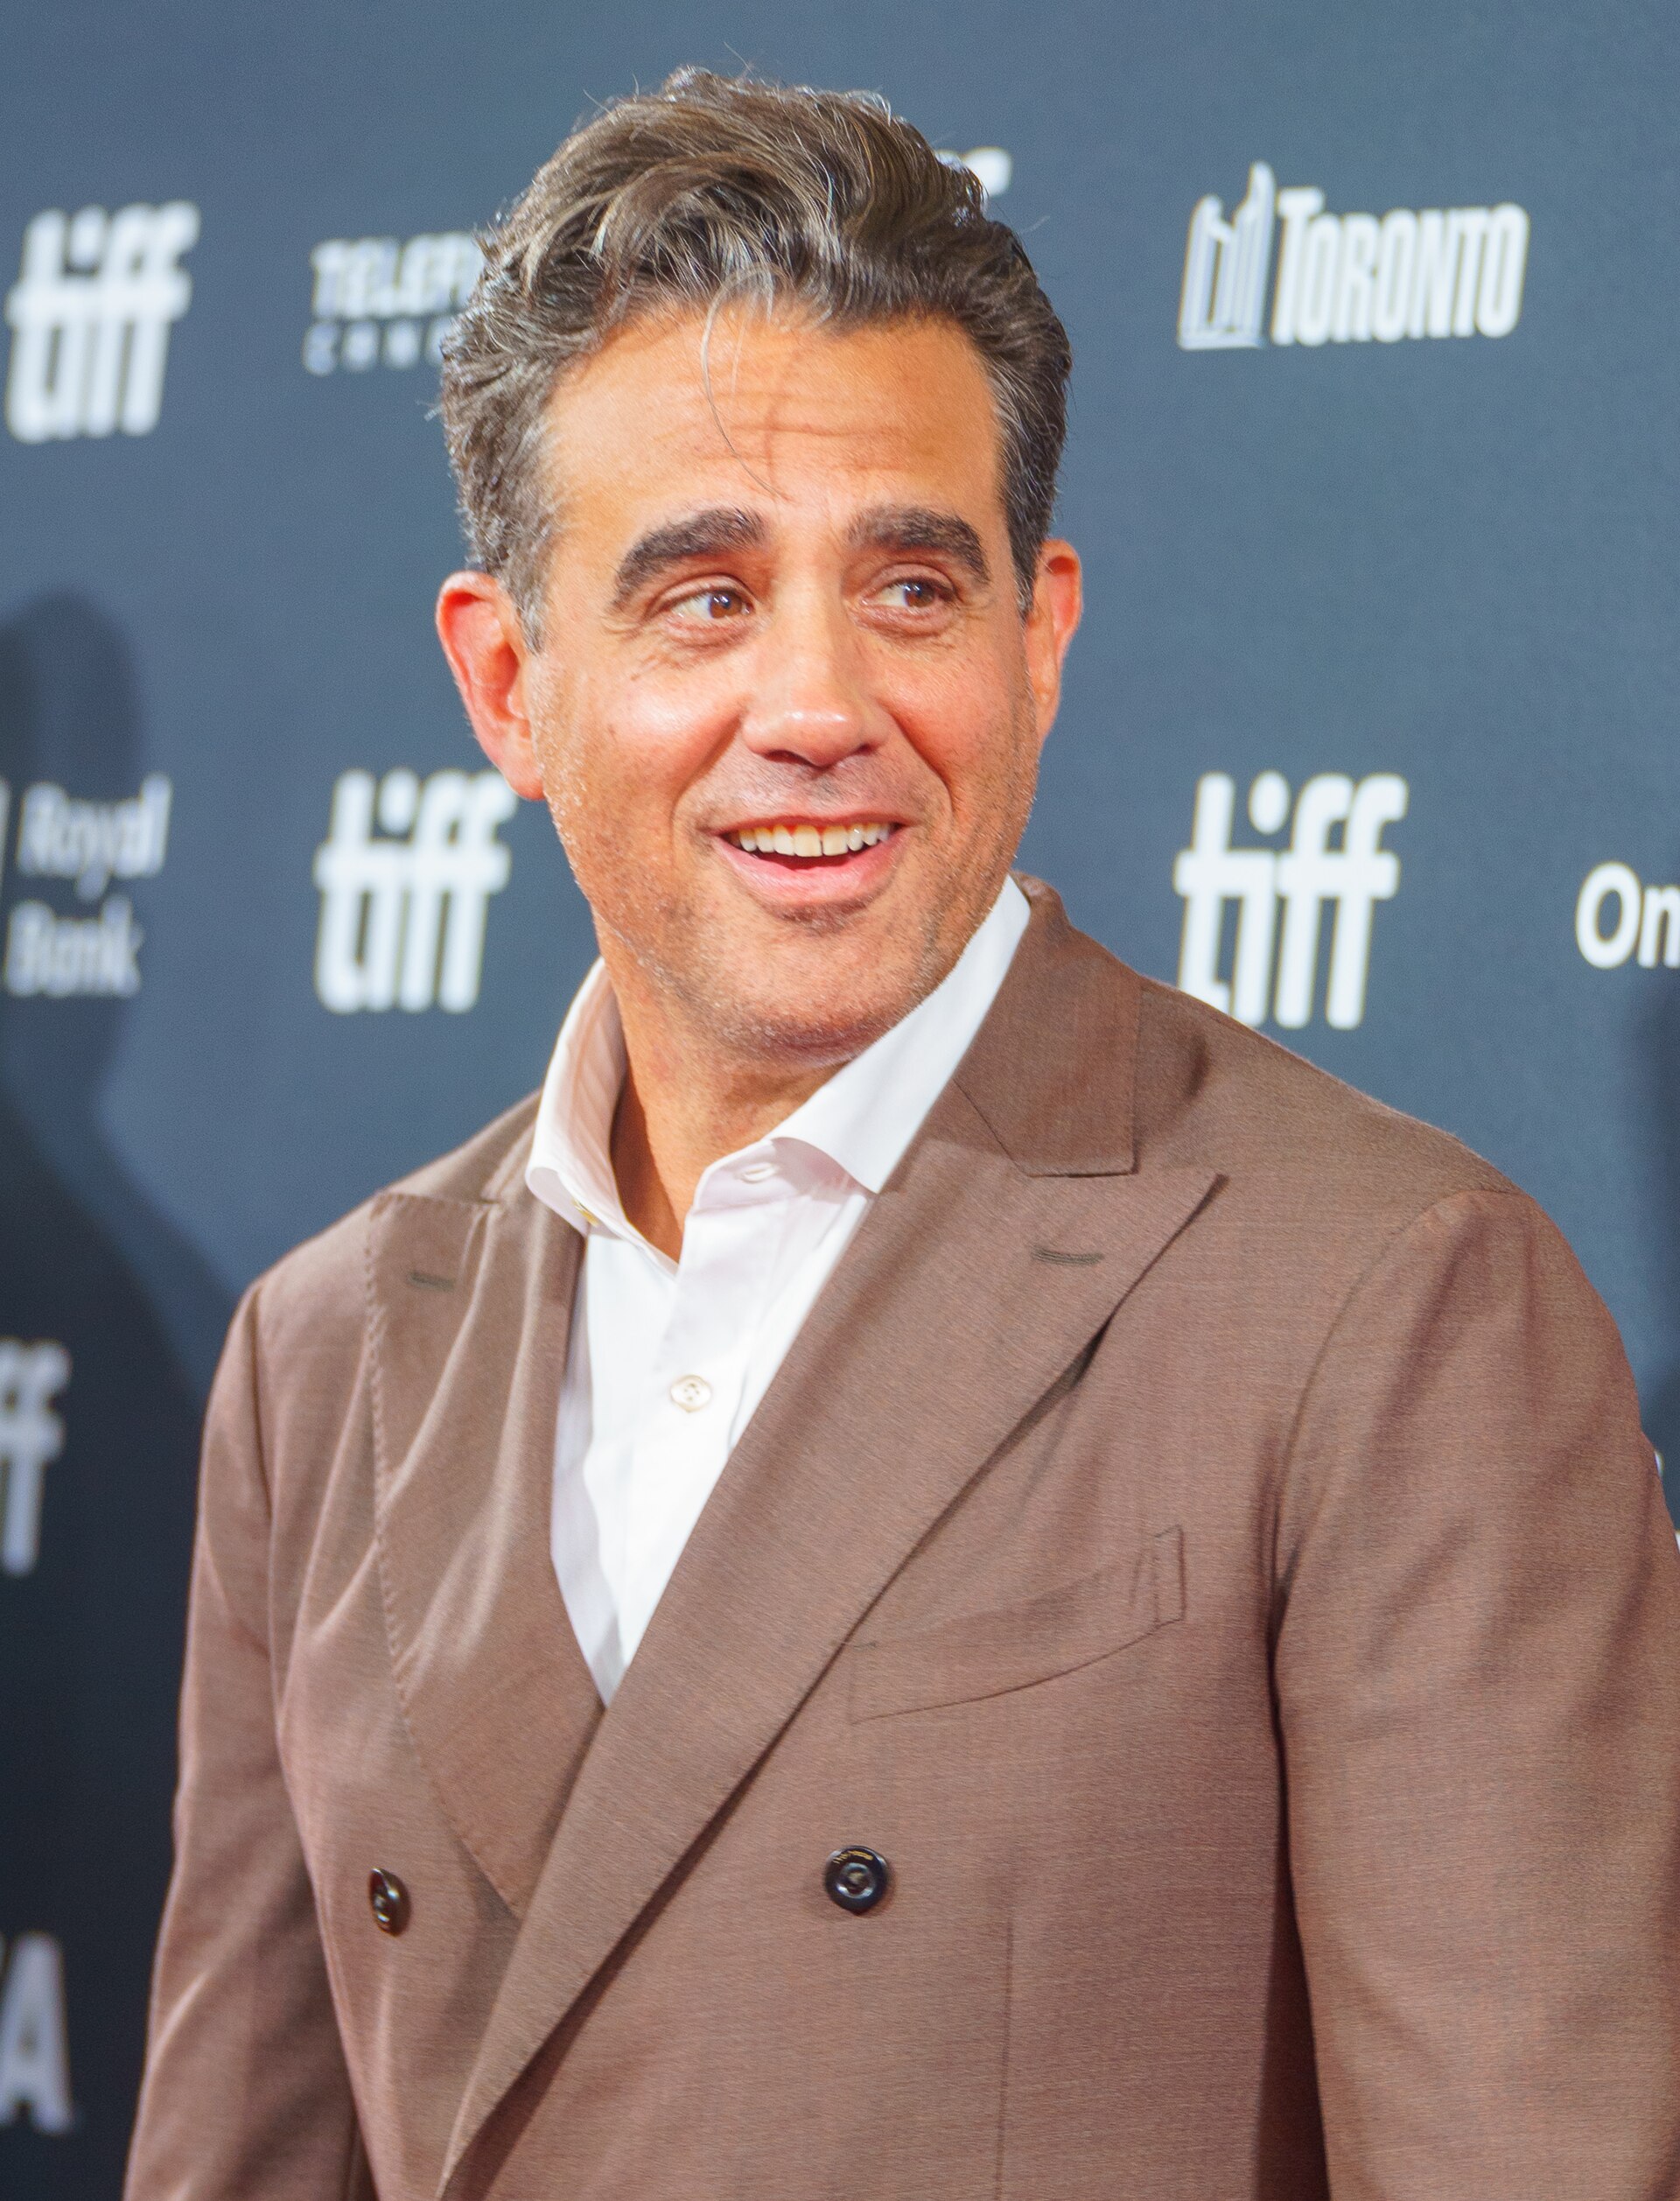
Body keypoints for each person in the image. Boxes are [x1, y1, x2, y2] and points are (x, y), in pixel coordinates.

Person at [124, 69, 1680, 2201]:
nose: (823, 701)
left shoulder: (1385, 1307)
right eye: (702, 596)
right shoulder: (321, 1364)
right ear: (508, 686)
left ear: (1040, 638)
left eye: (914, 589)